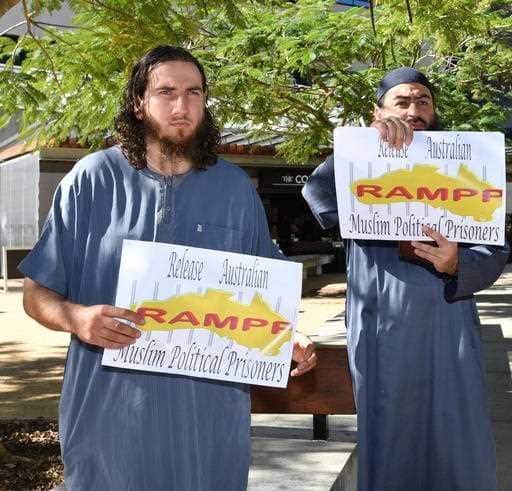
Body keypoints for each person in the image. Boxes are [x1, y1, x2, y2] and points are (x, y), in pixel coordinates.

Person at [20, 45, 317, 490]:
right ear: (139, 103)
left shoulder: (234, 188)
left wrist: (284, 335)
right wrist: (77, 318)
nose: (182, 106)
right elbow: (36, 294)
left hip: (210, 421)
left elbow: (262, 293)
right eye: (167, 92)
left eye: (194, 93)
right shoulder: (91, 179)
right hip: (110, 416)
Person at [302, 67, 509, 490]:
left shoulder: (467, 164)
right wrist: (364, 143)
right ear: (378, 111)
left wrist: (457, 265)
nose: (414, 110)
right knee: (389, 435)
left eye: (423, 101)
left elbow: (494, 246)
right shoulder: (361, 158)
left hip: (447, 321)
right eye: (402, 102)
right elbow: (318, 195)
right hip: (380, 323)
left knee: (457, 434)